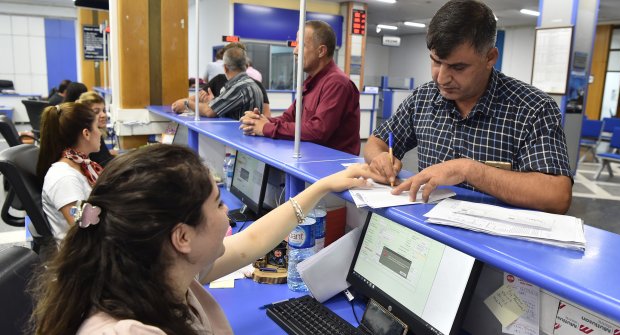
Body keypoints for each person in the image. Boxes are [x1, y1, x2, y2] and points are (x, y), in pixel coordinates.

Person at [30, 144, 374, 334]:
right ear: (182, 237)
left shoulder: (160, 270)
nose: (228, 215)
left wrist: (323, 187)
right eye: (219, 203)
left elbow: (251, 240)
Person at [363, 0, 572, 214]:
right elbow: (375, 142)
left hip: (492, 242)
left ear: (490, 58)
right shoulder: (423, 98)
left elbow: (557, 196)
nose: (442, 78)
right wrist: (380, 158)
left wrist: (468, 169)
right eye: (436, 62)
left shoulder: (533, 109)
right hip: (428, 232)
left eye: (458, 67)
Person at [239, 20, 361, 155]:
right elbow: (289, 118)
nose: (295, 51)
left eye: (301, 45)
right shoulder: (311, 82)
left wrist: (267, 128)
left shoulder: (337, 84)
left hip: (333, 168)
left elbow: (318, 131)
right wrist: (260, 121)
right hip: (312, 160)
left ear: (321, 51)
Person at [37, 102, 103, 241]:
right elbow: (85, 228)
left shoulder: (82, 166)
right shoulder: (65, 179)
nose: (100, 132)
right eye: (97, 127)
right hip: (85, 257)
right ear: (86, 133)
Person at [172, 46, 264, 119]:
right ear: (246, 66)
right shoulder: (252, 84)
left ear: (225, 68)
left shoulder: (238, 87)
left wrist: (187, 103)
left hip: (237, 138)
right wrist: (213, 102)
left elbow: (209, 112)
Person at [77, 91, 116, 166]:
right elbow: (103, 163)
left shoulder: (96, 133)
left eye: (103, 110)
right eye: (96, 111)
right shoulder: (89, 137)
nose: (103, 115)